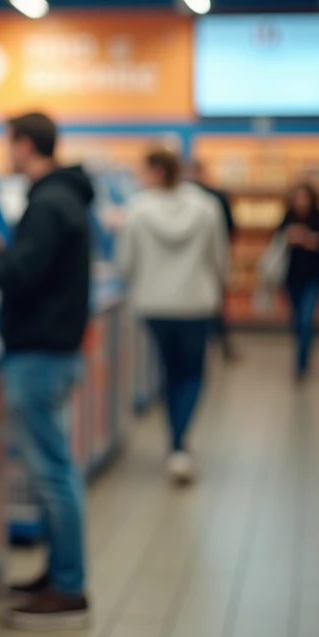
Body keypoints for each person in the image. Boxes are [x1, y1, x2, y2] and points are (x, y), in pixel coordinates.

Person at [0, 112, 93, 631]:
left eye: (9, 143)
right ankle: (57, 575)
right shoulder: (69, 198)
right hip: (55, 350)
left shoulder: (46, 203)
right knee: (55, 470)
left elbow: (22, 278)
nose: (7, 153)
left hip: (38, 355)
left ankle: (68, 586)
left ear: (24, 146)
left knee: (53, 473)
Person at [118, 149, 227, 485]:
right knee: (193, 374)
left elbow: (125, 263)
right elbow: (219, 257)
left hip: (154, 305)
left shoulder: (136, 209)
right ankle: (180, 443)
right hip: (197, 303)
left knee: (168, 371)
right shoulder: (207, 207)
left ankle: (176, 442)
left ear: (155, 172)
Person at [278, 183, 319, 380]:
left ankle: (301, 363)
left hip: (313, 277)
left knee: (306, 319)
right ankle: (301, 352)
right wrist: (289, 237)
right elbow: (278, 239)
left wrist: (310, 240)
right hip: (292, 277)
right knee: (297, 320)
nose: (301, 201)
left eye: (305, 197)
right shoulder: (288, 217)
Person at [190, 159, 238, 363]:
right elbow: (229, 230)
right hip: (208, 262)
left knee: (212, 304)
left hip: (200, 263)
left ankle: (217, 343)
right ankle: (219, 344)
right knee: (214, 303)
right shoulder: (214, 200)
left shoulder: (213, 200)